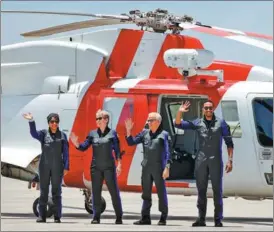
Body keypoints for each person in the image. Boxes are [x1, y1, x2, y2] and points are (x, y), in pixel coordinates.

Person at [174, 100, 234, 227]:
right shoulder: (198, 122)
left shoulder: (221, 123)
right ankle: (201, 219)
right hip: (201, 160)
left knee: (217, 190)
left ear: (213, 109)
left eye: (210, 108)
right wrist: (180, 112)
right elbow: (178, 124)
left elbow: (229, 143)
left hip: (215, 160)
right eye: (206, 108)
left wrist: (230, 160)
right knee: (201, 190)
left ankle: (218, 219)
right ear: (203, 110)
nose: (208, 110)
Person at [70, 109, 123, 224]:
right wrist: (77, 144)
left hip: (109, 167)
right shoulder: (92, 134)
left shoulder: (112, 134)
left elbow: (117, 151)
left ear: (106, 120)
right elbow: (84, 147)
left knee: (114, 192)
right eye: (97, 119)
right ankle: (96, 217)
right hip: (96, 168)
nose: (97, 121)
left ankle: (119, 216)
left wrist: (119, 164)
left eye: (100, 118)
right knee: (96, 192)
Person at [125, 112, 171, 226]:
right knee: (146, 193)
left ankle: (163, 217)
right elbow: (131, 142)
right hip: (146, 167)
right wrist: (128, 131)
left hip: (159, 168)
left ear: (158, 122)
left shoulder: (164, 135)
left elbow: (169, 152)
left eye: (150, 120)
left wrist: (167, 167)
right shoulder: (144, 133)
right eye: (148, 120)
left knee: (161, 193)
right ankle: (145, 218)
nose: (148, 122)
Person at [23, 112, 69, 223]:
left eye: (56, 122)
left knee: (56, 192)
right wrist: (31, 121)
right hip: (44, 167)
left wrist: (66, 167)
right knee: (43, 192)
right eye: (52, 122)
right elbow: (33, 134)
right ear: (48, 123)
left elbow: (66, 153)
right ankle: (42, 216)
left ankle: (57, 216)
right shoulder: (43, 134)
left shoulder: (62, 136)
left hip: (57, 167)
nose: (54, 124)